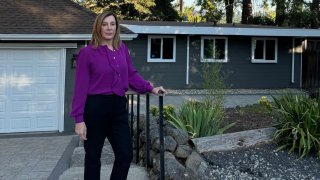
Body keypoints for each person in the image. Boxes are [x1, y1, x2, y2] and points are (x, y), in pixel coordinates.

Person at [70, 12, 166, 180]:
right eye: (105, 24)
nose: (109, 28)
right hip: (95, 109)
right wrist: (79, 119)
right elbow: (80, 87)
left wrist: (151, 88)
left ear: (116, 27)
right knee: (93, 158)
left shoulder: (122, 49)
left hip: (118, 109)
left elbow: (131, 75)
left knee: (125, 155)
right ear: (98, 27)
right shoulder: (87, 53)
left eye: (112, 24)